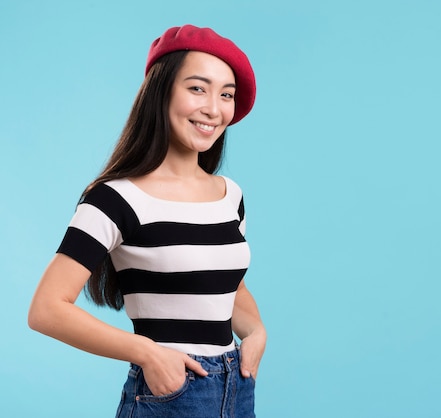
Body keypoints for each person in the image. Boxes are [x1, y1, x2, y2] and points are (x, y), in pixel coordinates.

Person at [28, 25, 266, 418]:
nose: (214, 107)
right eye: (197, 88)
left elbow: (226, 285)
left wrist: (256, 333)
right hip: (171, 393)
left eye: (226, 94)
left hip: (237, 391)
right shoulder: (115, 198)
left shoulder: (231, 196)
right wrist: (147, 353)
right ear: (161, 91)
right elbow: (46, 309)